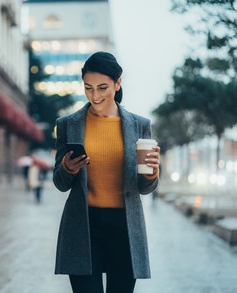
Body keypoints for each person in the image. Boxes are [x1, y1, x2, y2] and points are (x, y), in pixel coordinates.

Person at [52, 52, 160, 293]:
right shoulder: (68, 124)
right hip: (83, 225)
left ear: (118, 83)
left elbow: (145, 188)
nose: (95, 95)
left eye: (102, 87)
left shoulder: (139, 125)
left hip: (125, 228)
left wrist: (152, 174)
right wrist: (67, 169)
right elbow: (60, 182)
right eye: (88, 88)